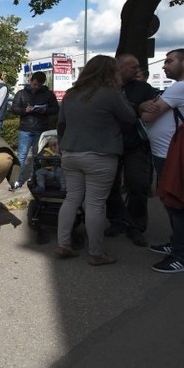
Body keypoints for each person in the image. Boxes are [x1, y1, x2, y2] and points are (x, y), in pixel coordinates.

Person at [54, 55, 136, 266]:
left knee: (71, 199)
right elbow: (130, 117)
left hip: (71, 153)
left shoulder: (71, 94)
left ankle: (63, 244)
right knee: (95, 204)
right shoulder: (111, 94)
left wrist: (62, 145)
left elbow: (61, 124)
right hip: (100, 154)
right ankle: (96, 253)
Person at [139, 49, 184, 273]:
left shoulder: (183, 87)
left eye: (169, 61)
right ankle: (178, 243)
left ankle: (182, 256)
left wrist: (144, 106)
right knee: (172, 201)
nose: (164, 65)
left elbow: (148, 115)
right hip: (168, 152)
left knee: (177, 204)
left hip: (172, 155)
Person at [104, 54, 159, 246]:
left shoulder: (144, 88)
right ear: (119, 67)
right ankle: (116, 220)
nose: (137, 70)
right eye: (133, 67)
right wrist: (137, 107)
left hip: (135, 145)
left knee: (138, 185)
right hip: (110, 144)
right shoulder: (105, 88)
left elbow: (151, 111)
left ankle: (136, 225)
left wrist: (142, 109)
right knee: (110, 186)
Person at [9, 71, 59, 189]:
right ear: (30, 81)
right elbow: (14, 109)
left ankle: (35, 179)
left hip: (41, 129)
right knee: (21, 155)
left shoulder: (48, 94)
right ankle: (17, 180)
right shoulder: (21, 93)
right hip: (25, 128)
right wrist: (23, 111)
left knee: (37, 156)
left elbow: (55, 109)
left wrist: (45, 110)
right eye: (34, 84)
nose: (36, 87)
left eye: (39, 85)